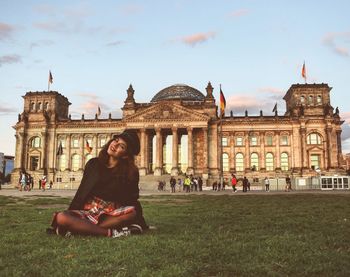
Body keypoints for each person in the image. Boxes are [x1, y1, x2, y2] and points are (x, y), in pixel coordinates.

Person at [48, 130, 149, 238]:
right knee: (61, 217)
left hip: (110, 213)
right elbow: (82, 192)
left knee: (131, 213)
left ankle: (80, 229)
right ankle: (110, 232)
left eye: (122, 146)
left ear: (125, 155)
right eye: (116, 140)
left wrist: (138, 220)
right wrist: (71, 212)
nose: (115, 145)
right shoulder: (93, 164)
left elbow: (132, 199)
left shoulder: (130, 172)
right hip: (90, 210)